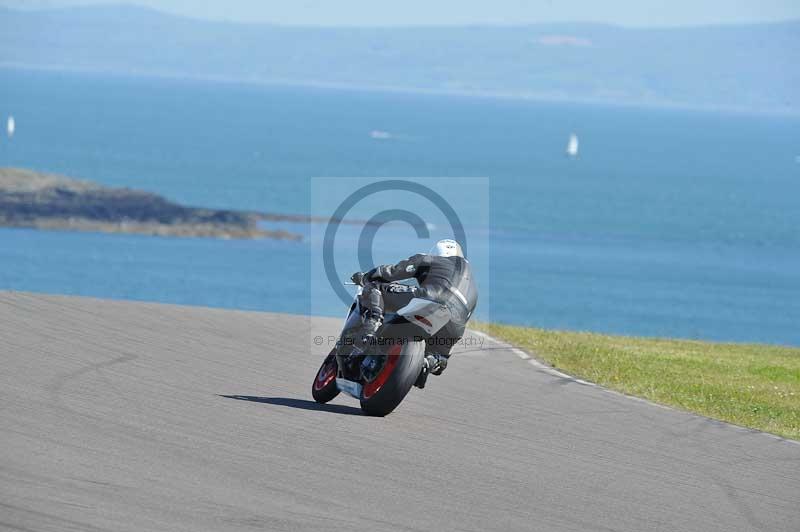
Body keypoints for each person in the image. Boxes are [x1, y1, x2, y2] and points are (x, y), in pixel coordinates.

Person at [350, 239, 478, 388]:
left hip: (431, 298)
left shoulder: (430, 259)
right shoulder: (473, 286)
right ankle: (430, 361)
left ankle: (371, 327)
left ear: (438, 252)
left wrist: (366, 277)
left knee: (375, 287)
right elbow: (468, 315)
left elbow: (392, 271)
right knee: (439, 356)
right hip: (455, 324)